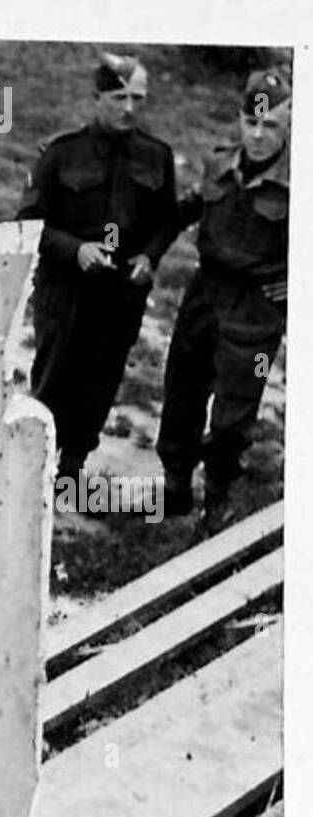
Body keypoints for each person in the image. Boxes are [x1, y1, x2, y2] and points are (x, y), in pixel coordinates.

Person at [17, 54, 178, 493]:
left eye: (137, 99)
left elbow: (167, 221)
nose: (128, 108)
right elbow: (30, 222)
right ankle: (36, 469)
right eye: (118, 97)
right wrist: (76, 250)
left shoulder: (156, 157)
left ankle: (71, 467)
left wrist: (150, 257)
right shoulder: (60, 154)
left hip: (120, 294)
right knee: (54, 376)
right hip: (65, 290)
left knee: (99, 383)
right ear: (97, 98)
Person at [157, 68, 290, 529]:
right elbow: (184, 209)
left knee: (235, 411)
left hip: (256, 311)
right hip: (205, 293)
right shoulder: (220, 164)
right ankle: (175, 485)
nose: (256, 135)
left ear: (289, 122)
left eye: (269, 126)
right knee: (181, 390)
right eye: (250, 123)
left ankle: (217, 501)